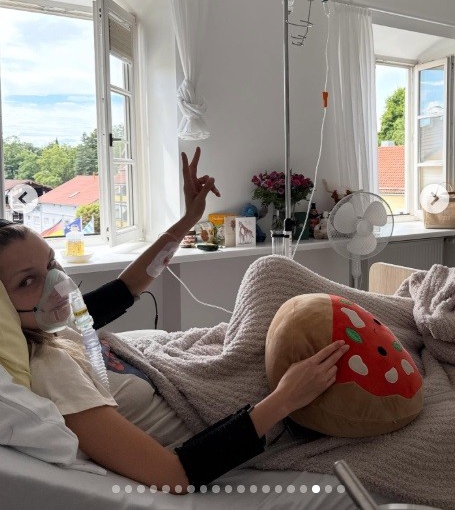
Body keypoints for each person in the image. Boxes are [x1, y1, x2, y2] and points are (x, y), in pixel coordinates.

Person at [0, 147, 348, 494]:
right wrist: (285, 398)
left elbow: (127, 287)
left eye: (52, 263)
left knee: (271, 271)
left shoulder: (60, 326)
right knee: (274, 277)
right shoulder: (53, 372)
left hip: (185, 372)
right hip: (210, 408)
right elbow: (174, 475)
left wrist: (189, 218)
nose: (57, 285)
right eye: (27, 281)